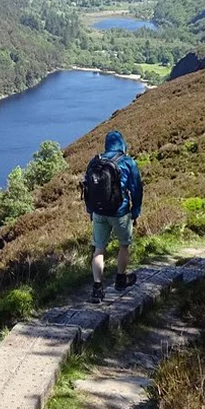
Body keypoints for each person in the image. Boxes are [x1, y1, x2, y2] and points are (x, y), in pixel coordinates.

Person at [81, 130, 144, 303]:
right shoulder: (127, 162)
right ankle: (121, 279)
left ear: (106, 144)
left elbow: (87, 189)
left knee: (99, 249)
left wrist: (91, 211)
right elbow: (136, 189)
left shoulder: (95, 162)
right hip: (120, 212)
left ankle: (97, 289)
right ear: (122, 144)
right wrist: (135, 212)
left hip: (99, 213)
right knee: (123, 245)